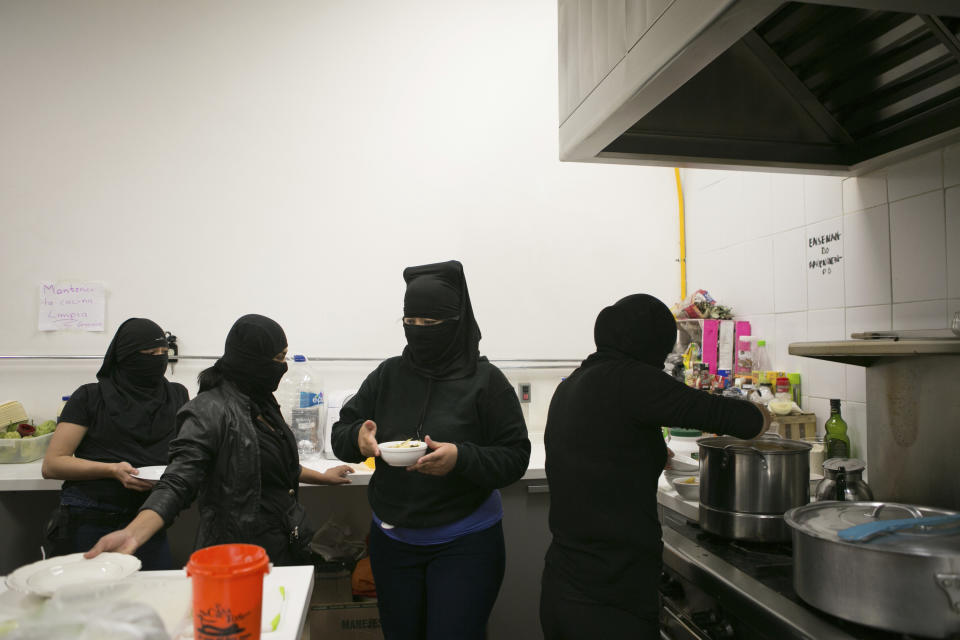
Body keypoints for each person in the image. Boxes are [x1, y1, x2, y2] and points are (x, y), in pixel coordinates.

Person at [539, 294, 771, 639]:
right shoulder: (631, 379)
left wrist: (647, 452)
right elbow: (736, 418)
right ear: (651, 345)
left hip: (564, 584)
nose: (662, 365)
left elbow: (602, 450)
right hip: (610, 601)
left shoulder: (575, 383)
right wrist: (765, 414)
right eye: (662, 355)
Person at [331, 260, 531, 640]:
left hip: (465, 545)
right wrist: (357, 437)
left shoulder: (485, 381)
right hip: (393, 542)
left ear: (455, 324)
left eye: (431, 325)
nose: (419, 333)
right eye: (411, 323)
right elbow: (341, 433)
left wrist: (461, 458)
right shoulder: (388, 375)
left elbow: (515, 456)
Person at [84, 314, 354, 566]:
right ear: (252, 360)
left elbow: (267, 465)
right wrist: (133, 534)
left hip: (283, 542)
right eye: (278, 358)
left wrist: (323, 476)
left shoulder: (262, 401)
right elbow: (178, 481)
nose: (282, 367)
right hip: (238, 554)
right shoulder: (209, 410)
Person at [42, 318, 188, 570]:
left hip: (148, 519)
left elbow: (184, 451)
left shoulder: (176, 395)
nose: (159, 359)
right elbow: (53, 464)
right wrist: (111, 469)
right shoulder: (90, 397)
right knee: (91, 600)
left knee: (151, 598)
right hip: (91, 516)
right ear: (126, 356)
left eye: (164, 353)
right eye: (150, 353)